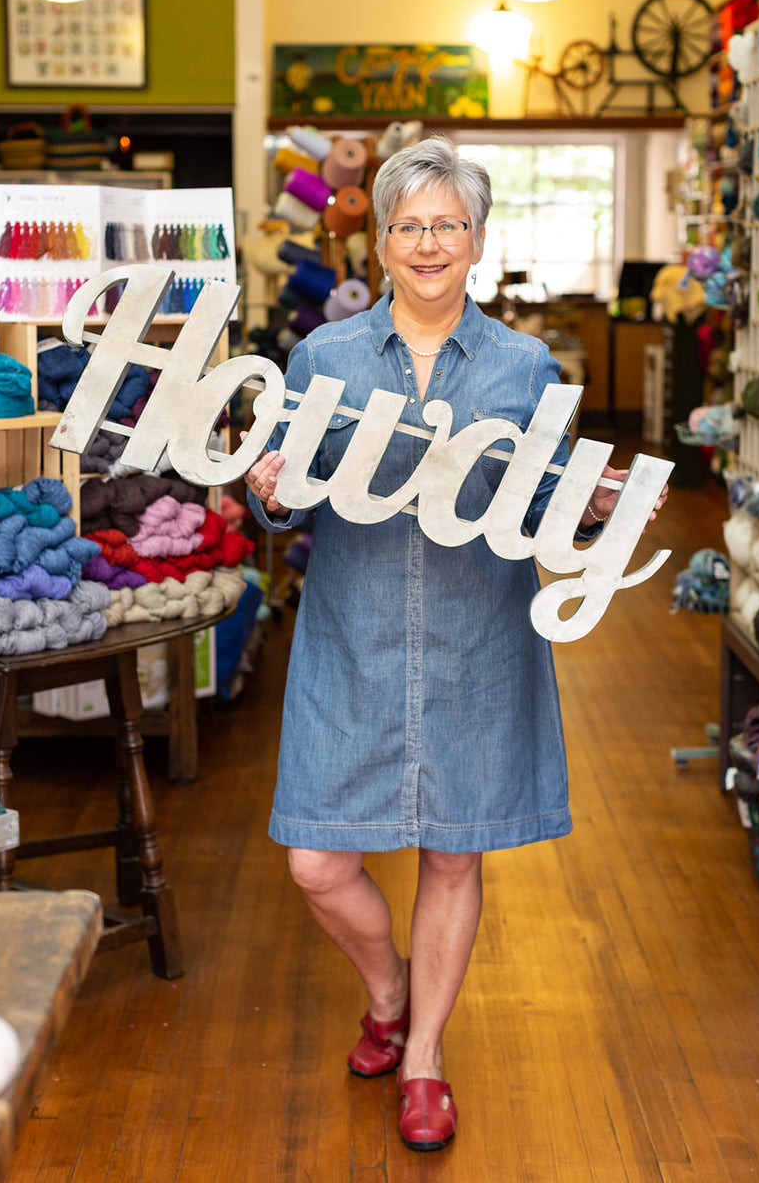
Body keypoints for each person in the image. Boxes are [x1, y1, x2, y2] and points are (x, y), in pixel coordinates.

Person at [244, 136, 667, 1152]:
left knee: (453, 856)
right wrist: (265, 489)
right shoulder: (323, 358)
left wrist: (598, 509)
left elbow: (550, 512)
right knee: (313, 860)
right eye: (408, 225)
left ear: (477, 239)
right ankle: (385, 990)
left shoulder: (526, 367)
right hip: (353, 637)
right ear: (379, 243)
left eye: (447, 224)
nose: (428, 243)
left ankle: (422, 1053)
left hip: (479, 639)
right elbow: (287, 499)